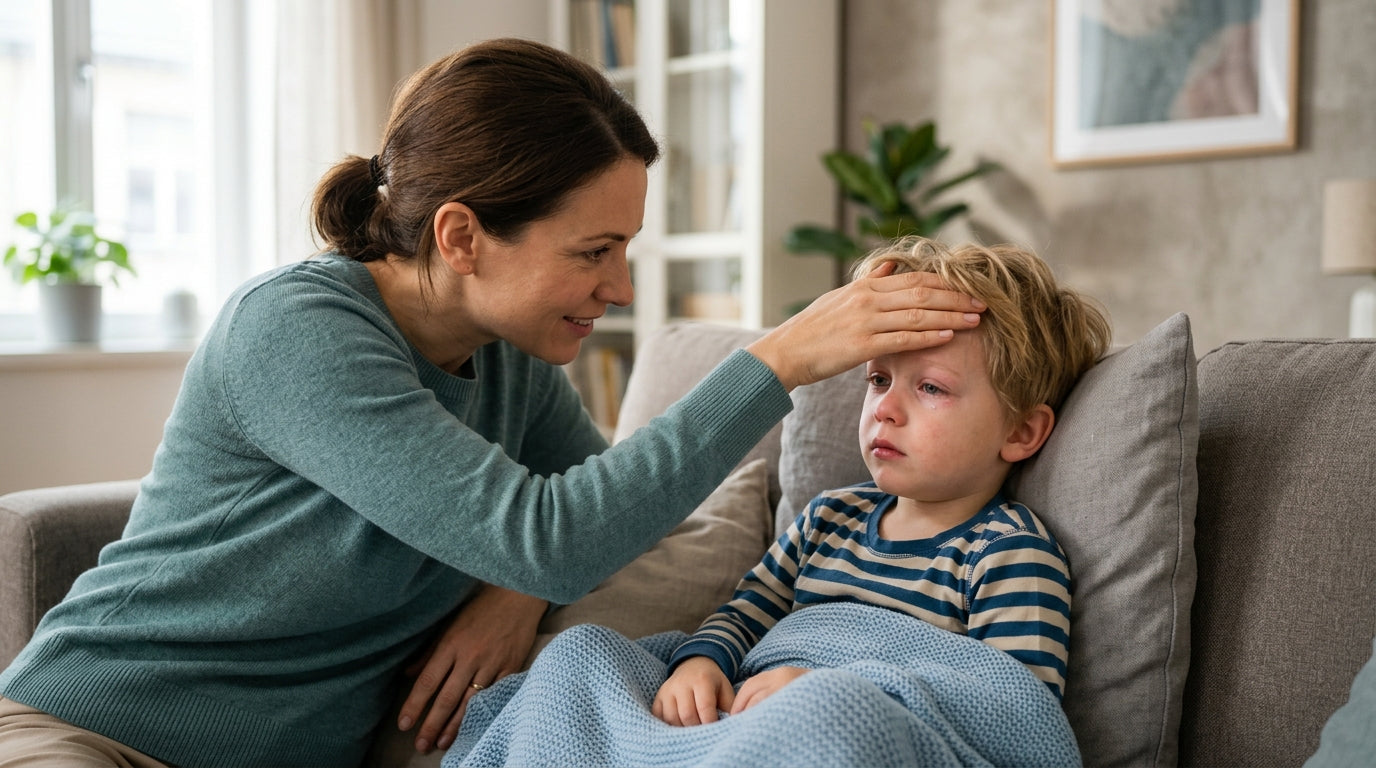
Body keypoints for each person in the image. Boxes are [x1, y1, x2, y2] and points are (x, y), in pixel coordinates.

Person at [0, 39, 986, 768]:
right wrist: (778, 358)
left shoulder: (506, 362)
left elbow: (602, 514)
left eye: (627, 249)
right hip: (94, 734)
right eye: (593, 251)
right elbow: (555, 535)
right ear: (462, 236)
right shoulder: (298, 330)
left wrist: (511, 593)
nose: (621, 288)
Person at [653, 236, 1112, 727]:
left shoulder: (1007, 554)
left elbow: (1015, 716)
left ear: (1021, 431)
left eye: (931, 387)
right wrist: (700, 664)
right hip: (746, 721)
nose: (886, 409)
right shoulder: (826, 519)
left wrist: (838, 697)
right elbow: (744, 616)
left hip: (852, 737)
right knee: (585, 653)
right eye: (878, 380)